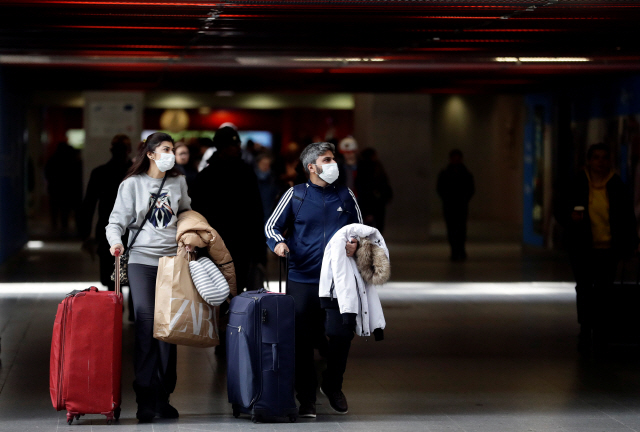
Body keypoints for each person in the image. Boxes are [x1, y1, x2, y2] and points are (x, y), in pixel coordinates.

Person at [265, 142, 363, 418]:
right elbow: (271, 225)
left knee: (342, 333)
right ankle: (306, 397)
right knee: (302, 340)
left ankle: (333, 385)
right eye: (328, 159)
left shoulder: (346, 195)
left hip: (338, 278)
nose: (334, 163)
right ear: (312, 167)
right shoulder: (295, 195)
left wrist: (356, 245)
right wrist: (278, 244)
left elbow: (360, 230)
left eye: (334, 159)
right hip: (303, 277)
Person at [106, 132, 191, 422]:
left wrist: (190, 235)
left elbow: (186, 212)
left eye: (173, 149)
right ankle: (144, 396)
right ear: (151, 154)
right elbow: (116, 220)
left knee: (169, 328)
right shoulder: (131, 184)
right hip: (141, 262)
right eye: (165, 149)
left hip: (172, 262)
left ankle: (163, 395)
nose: (171, 153)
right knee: (145, 323)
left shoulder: (178, 181)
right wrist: (115, 241)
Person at [556, 143, 639, 354]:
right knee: (584, 288)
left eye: (604, 158)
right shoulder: (577, 183)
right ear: (589, 161)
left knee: (604, 290)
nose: (600, 162)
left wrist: (631, 245)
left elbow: (628, 218)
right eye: (596, 158)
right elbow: (560, 208)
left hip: (608, 248)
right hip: (582, 247)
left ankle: (601, 330)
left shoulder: (617, 185)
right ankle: (585, 328)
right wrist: (570, 218)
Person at [190, 125, 265, 293]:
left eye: (238, 144)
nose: (237, 148)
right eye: (233, 145)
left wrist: (259, 249)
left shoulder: (241, 172)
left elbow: (256, 210)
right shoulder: (208, 176)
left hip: (237, 241)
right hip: (218, 241)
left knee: (232, 288)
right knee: (219, 290)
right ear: (222, 147)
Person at [78, 134, 133, 315]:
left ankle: (115, 309)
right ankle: (131, 311)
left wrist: (85, 234)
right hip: (130, 230)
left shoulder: (101, 172)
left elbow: (88, 205)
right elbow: (88, 204)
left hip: (109, 229)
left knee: (112, 275)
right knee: (132, 274)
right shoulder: (135, 173)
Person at [437, 149, 475, 261]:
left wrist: (464, 199)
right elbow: (440, 188)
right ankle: (454, 251)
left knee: (461, 229)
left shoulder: (465, 173)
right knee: (452, 229)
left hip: (461, 205)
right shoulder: (445, 173)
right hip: (450, 205)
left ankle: (460, 250)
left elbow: (471, 189)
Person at [45, 141, 83, 234]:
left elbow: (47, 173)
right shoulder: (72, 160)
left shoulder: (53, 160)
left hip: (55, 189)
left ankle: (56, 227)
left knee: (56, 210)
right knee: (65, 211)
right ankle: (64, 228)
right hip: (69, 190)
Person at [355, 147, 393, 234]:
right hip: (372, 200)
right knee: (373, 224)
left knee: (375, 224)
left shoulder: (375, 166)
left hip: (376, 200)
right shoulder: (367, 167)